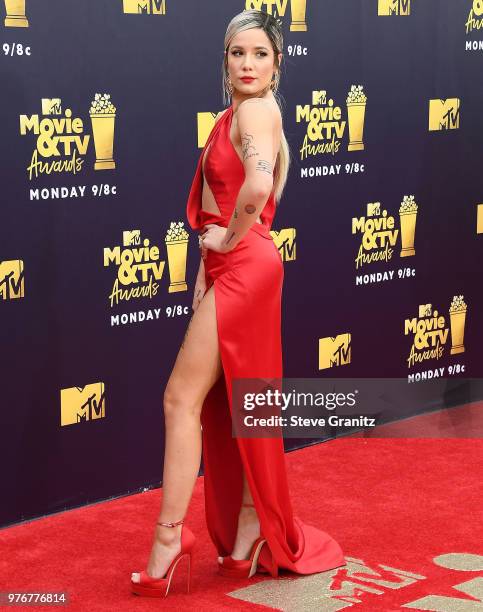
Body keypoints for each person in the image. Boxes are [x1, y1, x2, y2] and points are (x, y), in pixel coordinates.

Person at [131, 9, 345, 598]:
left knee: (181, 398)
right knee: (236, 403)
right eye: (237, 53)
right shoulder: (235, 115)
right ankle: (250, 530)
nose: (247, 64)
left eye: (260, 54)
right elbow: (222, 194)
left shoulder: (255, 110)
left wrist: (226, 240)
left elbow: (254, 188)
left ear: (278, 65)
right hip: (236, 267)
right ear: (224, 60)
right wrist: (208, 262)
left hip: (246, 264)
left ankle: (170, 539)